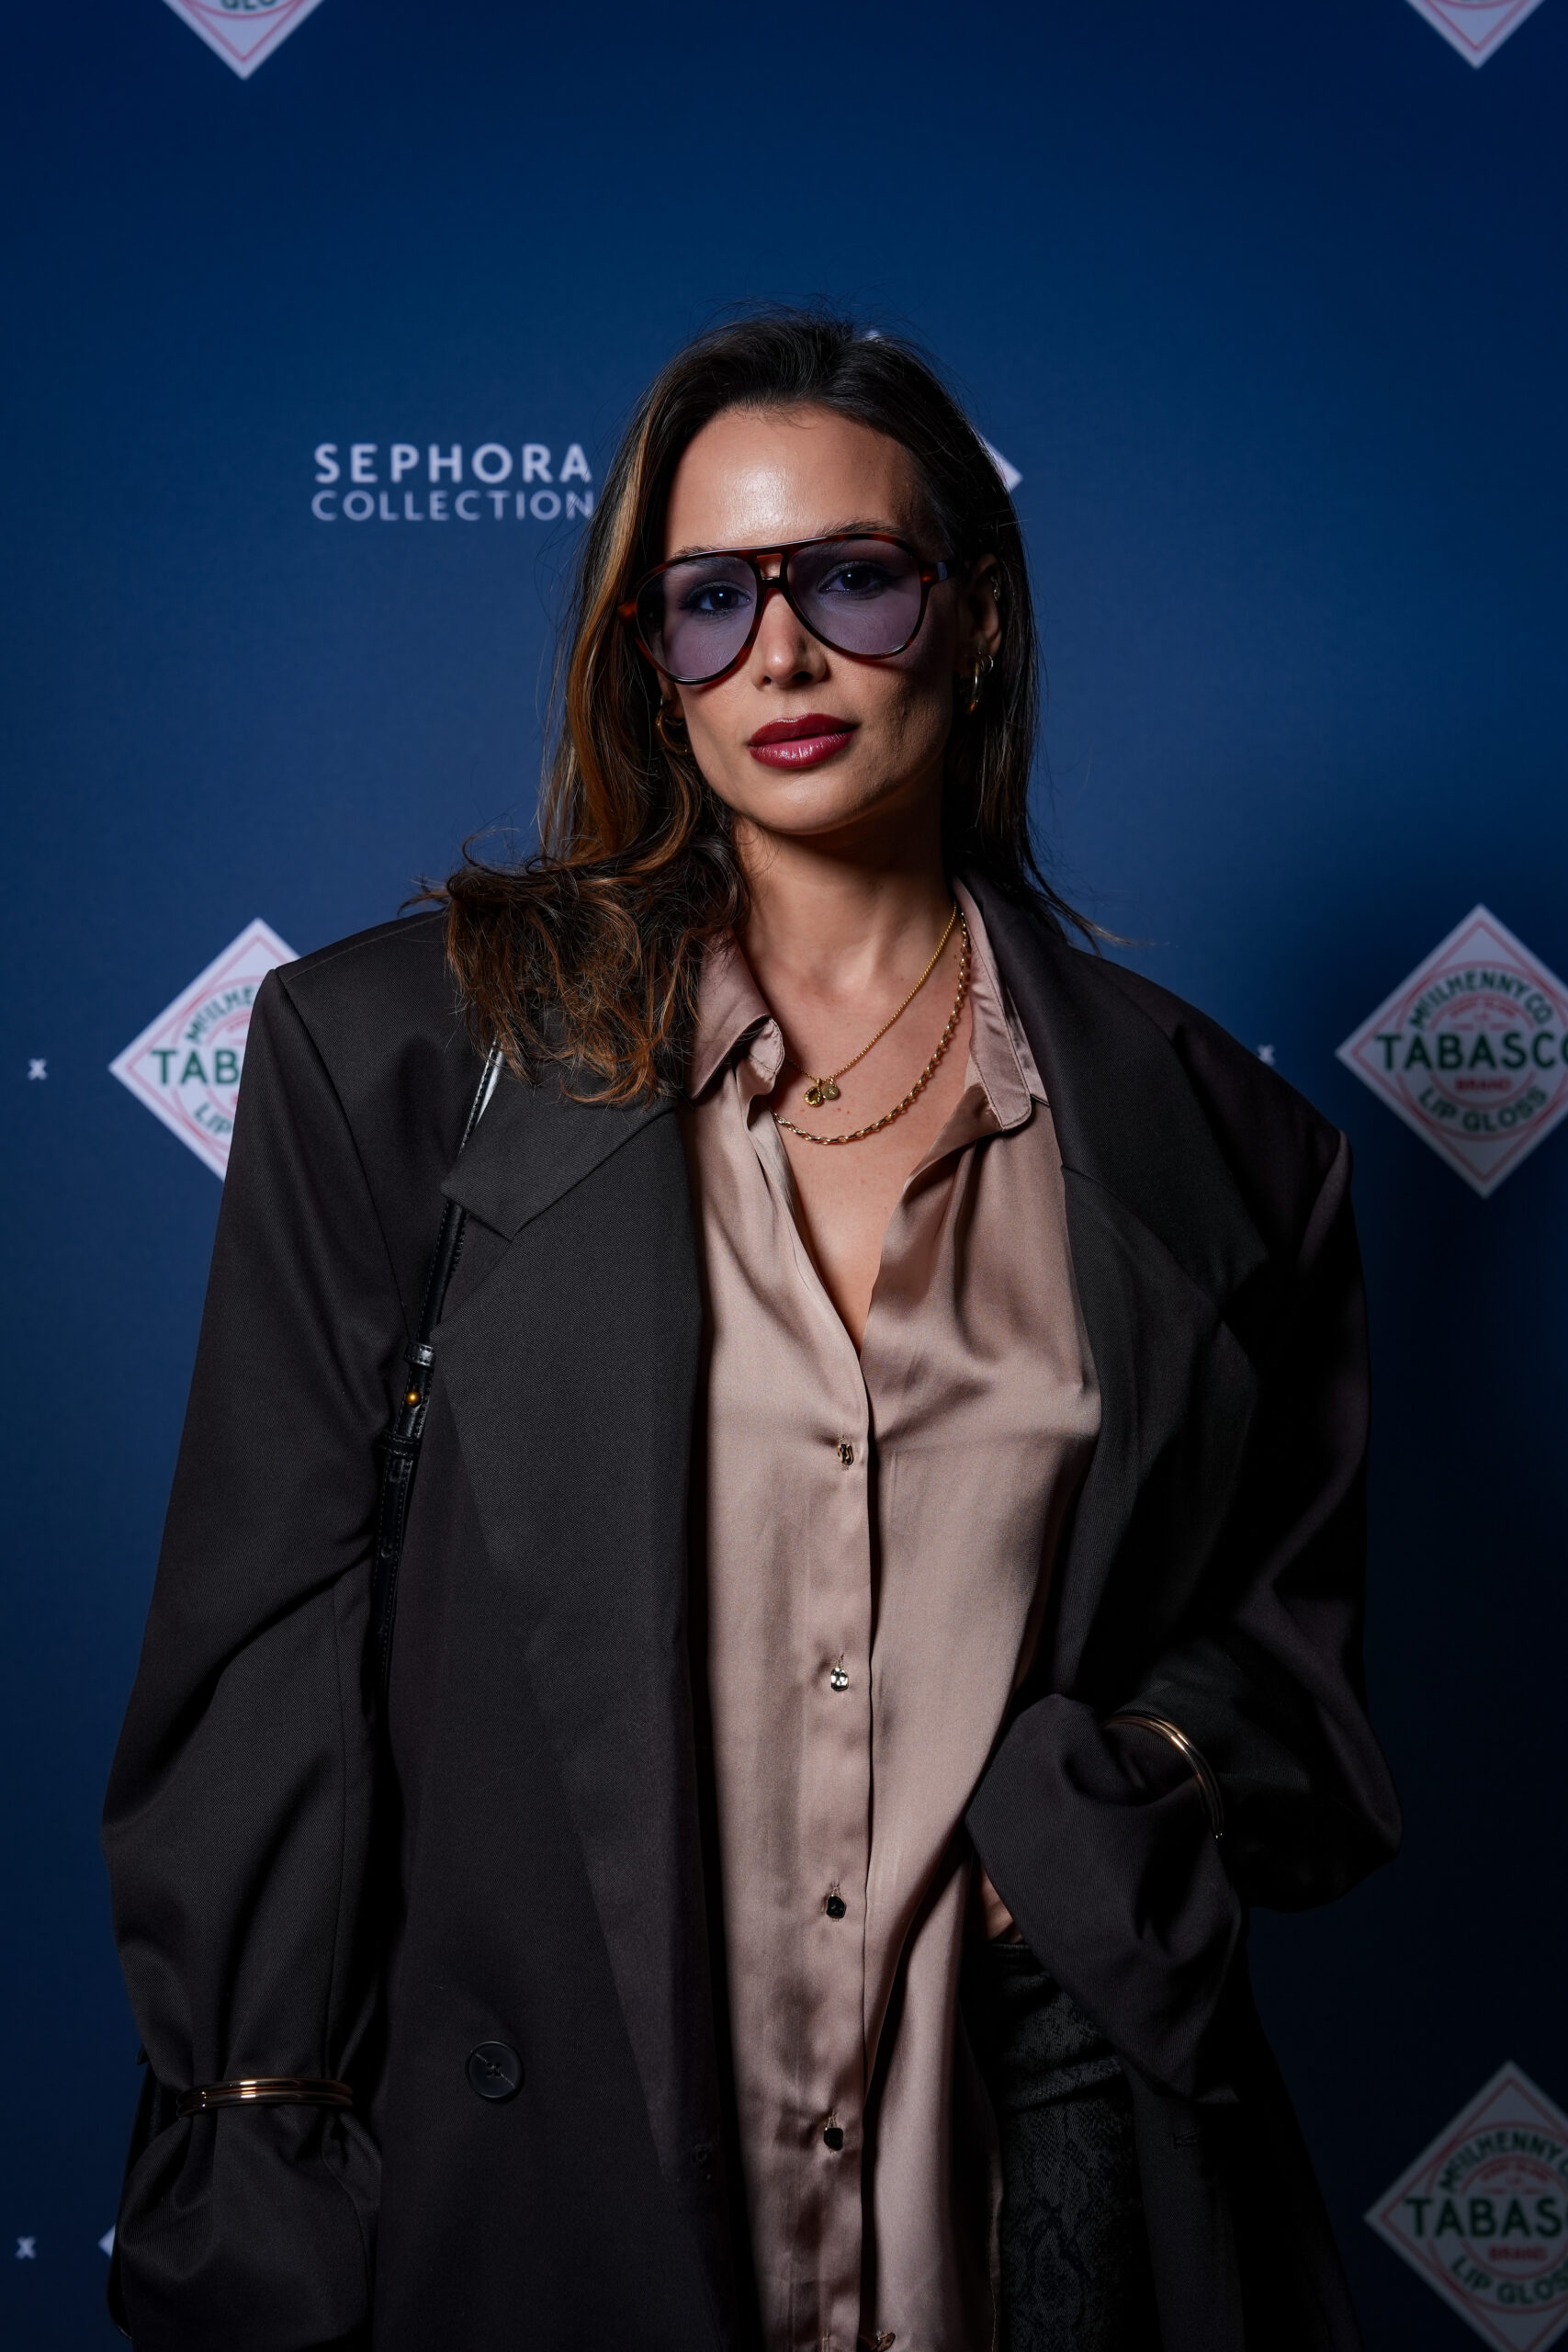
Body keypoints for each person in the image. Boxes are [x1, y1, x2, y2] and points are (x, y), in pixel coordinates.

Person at [103, 311, 1400, 2352]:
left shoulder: (1220, 1152)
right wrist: (261, 2182)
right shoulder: (400, 1063)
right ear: (651, 661)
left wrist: (1099, 1802)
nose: (779, 656)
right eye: (709, 601)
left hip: (1026, 2220)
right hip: (544, 2218)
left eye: (850, 579)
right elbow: (259, 1672)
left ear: (975, 616)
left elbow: (1295, 1699)